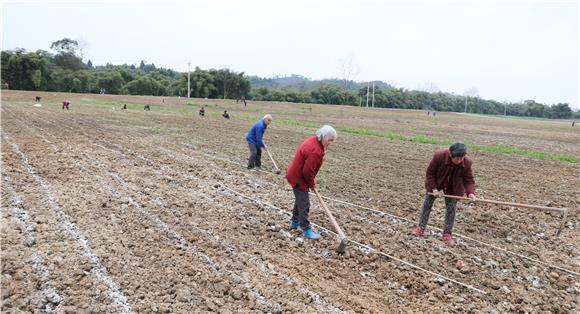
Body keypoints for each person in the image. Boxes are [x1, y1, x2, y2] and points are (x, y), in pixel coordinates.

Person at [414, 142, 476, 246]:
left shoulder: (467, 162)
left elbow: (469, 180)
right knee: (427, 205)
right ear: (451, 155)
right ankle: (421, 227)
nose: (460, 161)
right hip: (436, 183)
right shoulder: (439, 156)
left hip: (453, 188)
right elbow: (430, 173)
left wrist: (470, 193)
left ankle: (447, 233)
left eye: (462, 158)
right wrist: (434, 189)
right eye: (457, 159)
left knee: (451, 210)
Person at [286, 125, 337, 239]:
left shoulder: (312, 139)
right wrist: (312, 184)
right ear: (323, 137)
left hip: (295, 173)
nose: (330, 143)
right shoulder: (316, 151)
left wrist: (310, 183)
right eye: (330, 140)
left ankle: (294, 222)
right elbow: (307, 172)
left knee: (300, 199)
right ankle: (306, 229)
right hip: (298, 177)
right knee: (305, 204)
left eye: (332, 141)